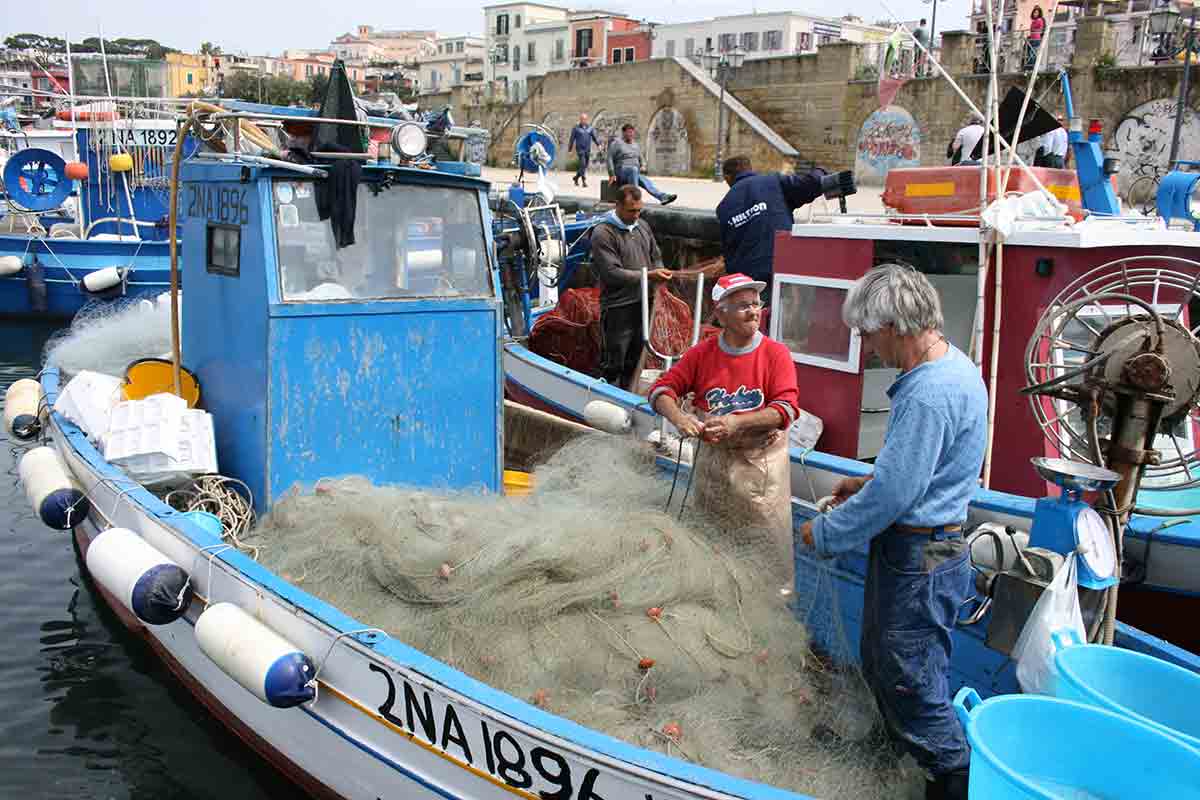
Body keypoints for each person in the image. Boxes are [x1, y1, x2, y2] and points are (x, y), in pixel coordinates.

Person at [797, 264, 986, 800]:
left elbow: (897, 495)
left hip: (919, 559)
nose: (866, 346)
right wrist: (864, 481)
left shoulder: (927, 393)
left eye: (867, 334)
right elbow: (915, 472)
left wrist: (827, 533)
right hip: (929, 551)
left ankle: (952, 782)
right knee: (889, 665)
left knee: (912, 681)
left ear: (897, 327)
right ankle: (894, 756)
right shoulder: (955, 367)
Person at [649, 273, 801, 583]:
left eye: (757, 304)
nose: (754, 311)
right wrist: (680, 419)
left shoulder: (776, 355)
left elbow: (786, 409)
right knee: (710, 550)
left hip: (761, 470)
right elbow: (660, 391)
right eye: (743, 306)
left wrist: (737, 423)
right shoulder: (701, 354)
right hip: (713, 469)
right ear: (720, 314)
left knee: (766, 561)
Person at [716, 156, 853, 299]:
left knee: (760, 316)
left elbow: (729, 253)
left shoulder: (723, 207)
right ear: (750, 169)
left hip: (749, 280)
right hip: (782, 266)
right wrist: (821, 170)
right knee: (784, 316)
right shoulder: (772, 182)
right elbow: (810, 185)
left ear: (727, 177)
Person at [590, 184, 672, 388]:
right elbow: (612, 273)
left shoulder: (643, 226)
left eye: (639, 210)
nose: (636, 215)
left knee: (636, 357)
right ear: (617, 206)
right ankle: (609, 397)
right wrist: (649, 275)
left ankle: (629, 393)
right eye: (631, 211)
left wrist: (659, 271)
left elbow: (656, 256)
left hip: (644, 302)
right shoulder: (603, 233)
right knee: (614, 360)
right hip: (619, 307)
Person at [607, 123, 677, 205]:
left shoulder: (636, 145)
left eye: (632, 132)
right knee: (633, 170)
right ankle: (636, 199)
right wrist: (611, 174)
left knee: (645, 181)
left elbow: (641, 158)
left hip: (634, 172)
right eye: (628, 132)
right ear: (623, 133)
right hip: (621, 173)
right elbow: (609, 158)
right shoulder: (617, 144)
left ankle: (662, 197)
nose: (631, 134)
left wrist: (643, 165)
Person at [568, 113, 601, 188]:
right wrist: (569, 150)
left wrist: (598, 145)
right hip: (580, 149)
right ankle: (584, 181)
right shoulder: (576, 128)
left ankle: (576, 178)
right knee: (582, 164)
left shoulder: (590, 128)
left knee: (585, 166)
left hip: (587, 149)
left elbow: (594, 137)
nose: (583, 120)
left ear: (586, 120)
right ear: (580, 119)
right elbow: (572, 139)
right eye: (582, 119)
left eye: (585, 119)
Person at [1026, 5, 1045, 71]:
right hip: (1032, 38)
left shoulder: (1039, 20)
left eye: (1036, 13)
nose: (1035, 14)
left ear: (1039, 13)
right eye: (1034, 12)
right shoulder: (1034, 21)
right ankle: (1030, 66)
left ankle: (1032, 67)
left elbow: (1039, 29)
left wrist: (1034, 30)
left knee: (1033, 53)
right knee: (1031, 52)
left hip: (1036, 38)